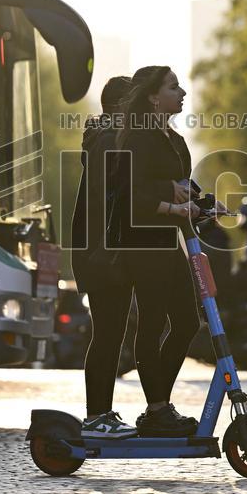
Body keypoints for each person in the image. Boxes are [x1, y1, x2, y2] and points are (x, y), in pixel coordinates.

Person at [99, 65, 206, 437]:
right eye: (174, 87)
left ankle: (157, 405)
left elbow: (184, 187)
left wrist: (205, 205)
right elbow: (129, 193)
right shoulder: (137, 138)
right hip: (141, 243)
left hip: (168, 241)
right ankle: (158, 409)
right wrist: (172, 205)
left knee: (189, 322)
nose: (182, 93)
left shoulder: (174, 140)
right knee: (153, 322)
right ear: (153, 96)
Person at [75, 75, 171, 439]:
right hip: (102, 254)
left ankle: (102, 414)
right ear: (121, 106)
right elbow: (118, 192)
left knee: (112, 333)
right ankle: (97, 416)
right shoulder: (105, 141)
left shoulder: (113, 138)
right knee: (108, 335)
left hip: (111, 252)